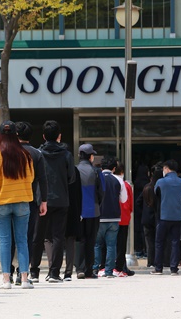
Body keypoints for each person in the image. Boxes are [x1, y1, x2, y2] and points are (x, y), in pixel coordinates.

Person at [0, 121, 34, 289]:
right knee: (22, 241)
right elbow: (31, 178)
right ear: (16, 135)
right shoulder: (25, 155)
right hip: (22, 202)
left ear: (1, 136)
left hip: (1, 203)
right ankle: (25, 279)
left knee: (5, 241)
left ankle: (6, 280)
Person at [30, 120, 74, 283]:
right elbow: (71, 177)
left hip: (41, 199)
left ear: (43, 136)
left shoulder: (38, 153)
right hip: (61, 199)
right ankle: (54, 273)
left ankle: (34, 272)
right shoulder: (66, 155)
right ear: (59, 137)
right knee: (58, 237)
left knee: (38, 236)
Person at [14, 121, 47, 285]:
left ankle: (8, 272)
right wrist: (44, 201)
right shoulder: (36, 153)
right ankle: (22, 272)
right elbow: (42, 178)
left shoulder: (7, 152)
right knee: (26, 238)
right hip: (30, 199)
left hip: (9, 198)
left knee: (9, 238)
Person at [152, 159, 181, 276]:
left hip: (163, 215)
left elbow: (156, 195)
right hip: (177, 216)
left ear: (166, 168)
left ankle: (158, 268)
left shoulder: (161, 182)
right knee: (175, 242)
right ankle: (174, 268)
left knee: (159, 242)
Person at [93, 157, 126, 278]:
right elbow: (124, 199)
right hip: (114, 217)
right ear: (114, 168)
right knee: (111, 245)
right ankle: (108, 271)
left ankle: (95, 269)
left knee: (97, 244)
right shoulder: (118, 180)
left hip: (99, 216)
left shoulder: (97, 178)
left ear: (101, 167)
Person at [75, 144, 104, 279]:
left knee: (79, 240)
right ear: (91, 156)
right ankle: (89, 270)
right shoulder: (97, 171)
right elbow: (102, 192)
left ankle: (79, 269)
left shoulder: (74, 170)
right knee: (91, 241)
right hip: (93, 210)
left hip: (78, 211)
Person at [136, 164, 163, 268]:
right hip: (158, 218)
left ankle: (150, 262)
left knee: (149, 241)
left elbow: (138, 202)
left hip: (146, 218)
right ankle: (158, 261)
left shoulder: (147, 187)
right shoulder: (160, 187)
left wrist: (143, 210)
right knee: (159, 241)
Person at [114, 163, 135, 277]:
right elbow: (130, 204)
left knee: (112, 244)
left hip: (113, 217)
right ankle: (122, 267)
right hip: (124, 218)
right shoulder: (126, 185)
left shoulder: (112, 183)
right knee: (122, 245)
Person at [133, 163, 150, 258]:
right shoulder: (148, 184)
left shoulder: (135, 183)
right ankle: (146, 250)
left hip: (136, 208)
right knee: (145, 231)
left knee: (137, 229)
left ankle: (138, 250)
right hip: (146, 209)